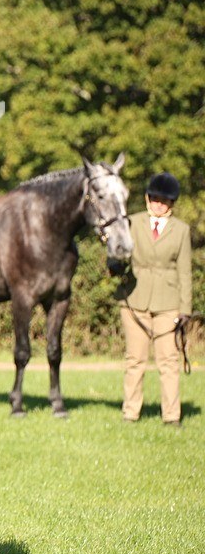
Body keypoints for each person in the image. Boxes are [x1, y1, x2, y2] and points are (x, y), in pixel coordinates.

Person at [118, 172, 193, 426]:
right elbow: (120, 253)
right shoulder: (132, 222)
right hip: (134, 300)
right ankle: (131, 413)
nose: (159, 203)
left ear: (172, 203)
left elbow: (185, 271)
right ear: (148, 198)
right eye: (155, 198)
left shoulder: (181, 230)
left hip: (168, 302)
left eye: (165, 200)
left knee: (168, 361)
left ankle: (171, 416)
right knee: (135, 359)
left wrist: (185, 309)